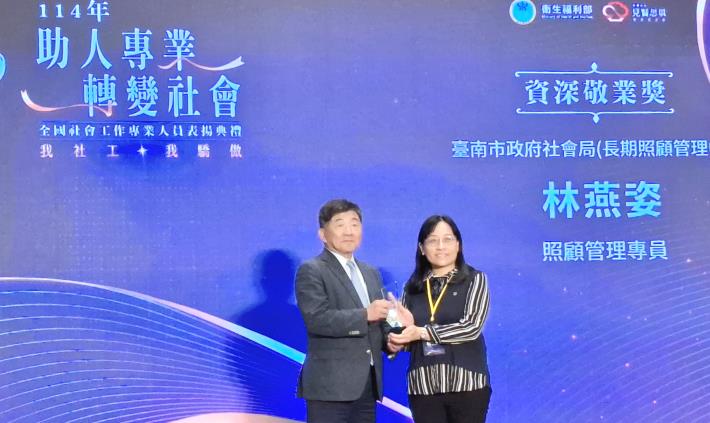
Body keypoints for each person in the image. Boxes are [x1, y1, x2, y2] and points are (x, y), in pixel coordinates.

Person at [295, 199, 398, 423]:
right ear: (322, 234)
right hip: (330, 387)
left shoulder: (370, 272)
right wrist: (365, 314)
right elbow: (317, 319)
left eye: (355, 224)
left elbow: (379, 321)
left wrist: (392, 340)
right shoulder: (312, 270)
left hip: (367, 386)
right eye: (340, 224)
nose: (349, 231)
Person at [389, 215, 491, 423]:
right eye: (433, 240)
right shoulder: (412, 287)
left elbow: (471, 327)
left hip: (466, 384)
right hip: (423, 386)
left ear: (458, 245)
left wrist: (422, 332)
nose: (441, 246)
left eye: (448, 239)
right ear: (422, 248)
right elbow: (407, 340)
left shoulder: (475, 279)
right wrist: (397, 336)